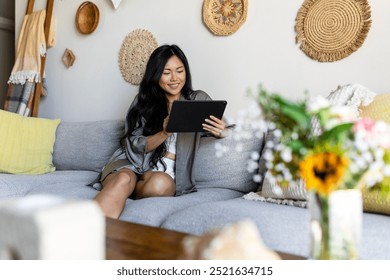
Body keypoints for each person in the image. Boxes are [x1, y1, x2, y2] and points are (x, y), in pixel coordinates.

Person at [93, 44, 230, 219]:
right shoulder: (143, 102)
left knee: (159, 184)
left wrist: (221, 131)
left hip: (165, 175)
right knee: (123, 179)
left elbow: (221, 127)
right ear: (156, 75)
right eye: (166, 73)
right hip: (132, 164)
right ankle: (79, 234)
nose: (174, 78)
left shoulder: (197, 100)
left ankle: (128, 192)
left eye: (179, 71)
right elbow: (133, 145)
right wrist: (165, 132)